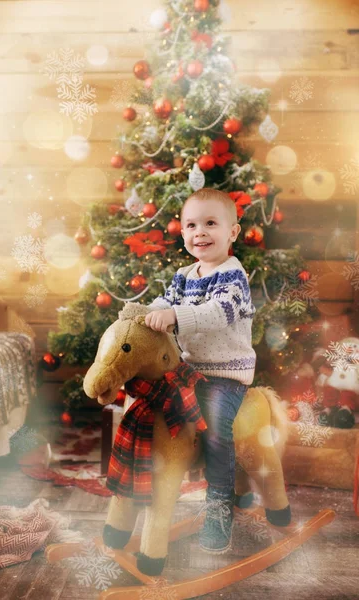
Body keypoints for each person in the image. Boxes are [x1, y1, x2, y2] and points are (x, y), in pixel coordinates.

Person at [145, 187, 256, 554]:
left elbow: (218, 314)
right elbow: (165, 301)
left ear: (233, 232)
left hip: (226, 375)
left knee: (215, 431)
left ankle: (220, 505)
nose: (200, 233)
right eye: (191, 224)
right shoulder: (183, 274)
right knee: (156, 417)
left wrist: (175, 316)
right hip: (190, 372)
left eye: (211, 223)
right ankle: (155, 495)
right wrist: (142, 315)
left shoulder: (232, 276)